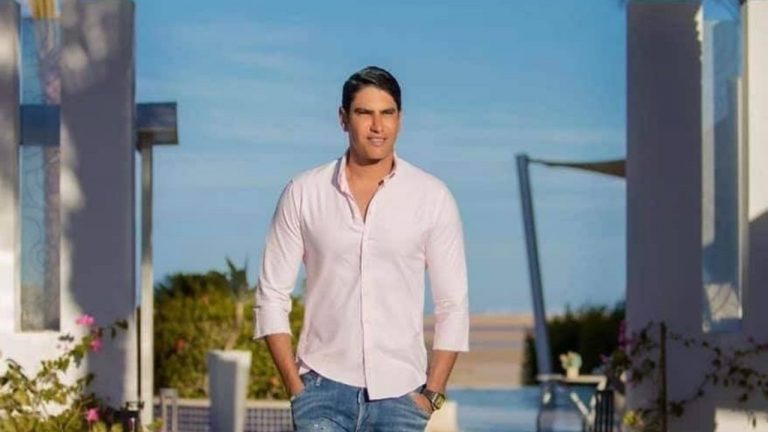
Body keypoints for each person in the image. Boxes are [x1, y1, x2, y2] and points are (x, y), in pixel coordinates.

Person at [254, 66, 469, 431]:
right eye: (364, 113)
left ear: (400, 119)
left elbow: (453, 303)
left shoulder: (432, 198)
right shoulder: (304, 192)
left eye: (387, 113)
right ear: (343, 118)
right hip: (321, 391)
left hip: (402, 398)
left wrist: (432, 393)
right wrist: (296, 388)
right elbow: (271, 295)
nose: (377, 126)